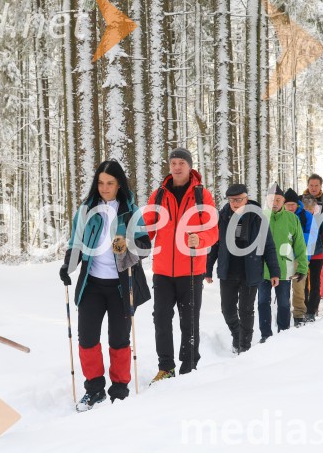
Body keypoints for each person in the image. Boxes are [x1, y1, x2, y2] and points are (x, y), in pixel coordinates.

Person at [60, 160, 151, 411]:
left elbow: (145, 247)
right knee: (87, 338)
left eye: (110, 183)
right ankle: (94, 389)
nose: (105, 187)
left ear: (119, 184)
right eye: (100, 183)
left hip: (121, 286)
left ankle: (120, 389)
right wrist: (67, 267)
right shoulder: (86, 209)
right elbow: (75, 242)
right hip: (92, 285)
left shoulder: (131, 212)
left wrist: (125, 245)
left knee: (119, 339)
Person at [143, 149, 218, 381]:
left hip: (192, 270)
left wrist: (201, 239)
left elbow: (213, 230)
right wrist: (133, 242)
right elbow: (147, 228)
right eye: (173, 163)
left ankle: (188, 366)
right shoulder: (158, 195)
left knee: (189, 320)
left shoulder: (202, 196)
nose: (176, 167)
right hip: (163, 271)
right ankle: (166, 367)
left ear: (189, 166)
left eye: (181, 163)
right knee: (161, 319)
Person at [206, 184, 280, 352]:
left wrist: (274, 271)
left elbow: (268, 246)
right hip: (228, 270)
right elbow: (215, 244)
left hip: (250, 270)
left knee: (246, 310)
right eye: (232, 200)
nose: (235, 203)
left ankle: (244, 346)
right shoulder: (222, 216)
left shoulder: (258, 217)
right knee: (227, 309)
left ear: (246, 199)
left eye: (239, 199)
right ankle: (237, 334)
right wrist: (208, 268)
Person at [257, 185, 307, 341]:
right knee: (263, 303)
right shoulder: (260, 217)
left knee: (284, 304)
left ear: (283, 201)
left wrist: (303, 268)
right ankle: (266, 335)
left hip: (284, 270)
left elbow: (299, 245)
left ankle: (283, 334)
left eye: (278, 200)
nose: (274, 202)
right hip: (262, 270)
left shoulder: (292, 219)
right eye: (272, 199)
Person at [301, 194, 323, 322]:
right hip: (302, 253)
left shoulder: (319, 217)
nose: (309, 210)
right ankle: (303, 307)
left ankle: (312, 310)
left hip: (317, 252)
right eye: (306, 207)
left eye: (311, 207)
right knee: (302, 281)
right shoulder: (300, 216)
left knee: (315, 281)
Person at [284, 189, 309, 326]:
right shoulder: (280, 217)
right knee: (283, 288)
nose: (290, 207)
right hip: (284, 257)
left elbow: (310, 236)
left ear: (297, 205)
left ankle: (299, 315)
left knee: (299, 288)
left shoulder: (305, 216)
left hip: (300, 256)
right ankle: (284, 313)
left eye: (293, 205)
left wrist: (306, 258)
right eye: (288, 205)